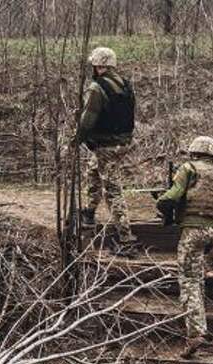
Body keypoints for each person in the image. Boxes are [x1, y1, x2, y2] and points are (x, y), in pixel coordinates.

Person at [156, 136, 213, 358]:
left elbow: (172, 196)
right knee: (196, 275)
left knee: (189, 281)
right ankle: (202, 323)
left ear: (195, 151)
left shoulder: (188, 168)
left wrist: (161, 203)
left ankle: (196, 333)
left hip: (195, 230)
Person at [77, 47, 138, 256]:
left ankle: (126, 239)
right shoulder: (125, 84)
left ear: (99, 65)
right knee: (93, 171)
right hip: (122, 142)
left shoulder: (98, 87)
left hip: (108, 145)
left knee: (113, 190)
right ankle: (89, 212)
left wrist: (77, 139)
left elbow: (88, 119)